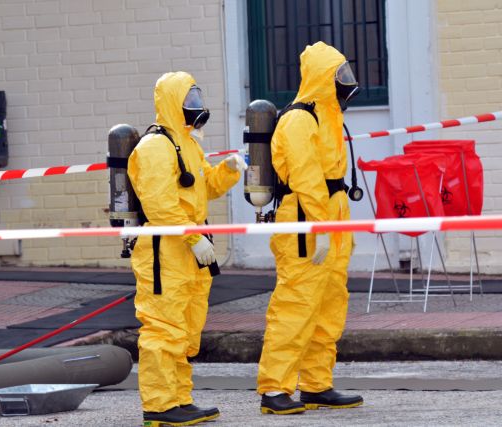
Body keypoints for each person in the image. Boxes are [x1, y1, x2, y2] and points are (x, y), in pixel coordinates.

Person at [128, 71, 247, 426]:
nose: (197, 106)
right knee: (163, 326)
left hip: (190, 247)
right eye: (189, 100)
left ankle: (179, 399)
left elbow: (203, 188)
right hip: (166, 250)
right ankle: (159, 406)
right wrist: (194, 237)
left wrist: (227, 171)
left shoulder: (188, 144)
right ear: (172, 103)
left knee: (186, 327)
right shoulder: (155, 146)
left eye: (197, 98)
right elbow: (159, 204)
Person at [257, 41, 364, 415]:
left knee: (328, 305)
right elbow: (306, 178)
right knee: (296, 305)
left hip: (331, 216)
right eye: (340, 74)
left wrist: (333, 227)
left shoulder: (328, 115)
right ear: (323, 77)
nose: (347, 81)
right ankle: (274, 389)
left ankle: (317, 385)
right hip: (306, 221)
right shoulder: (299, 120)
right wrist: (320, 228)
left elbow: (330, 178)